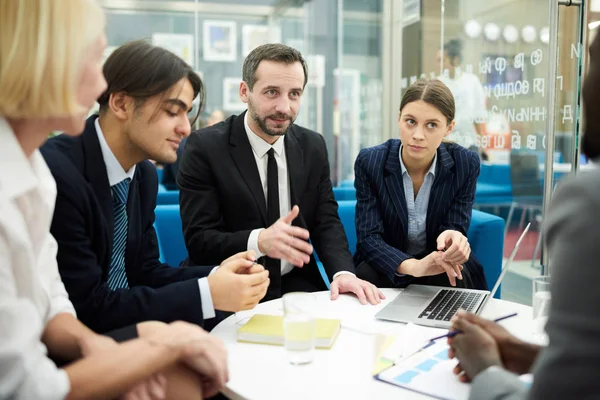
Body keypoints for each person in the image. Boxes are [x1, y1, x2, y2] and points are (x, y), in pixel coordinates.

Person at [0, 1, 228, 399]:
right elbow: (27, 384)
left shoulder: (42, 174)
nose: (98, 86)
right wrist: (163, 341)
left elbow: (53, 297)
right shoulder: (53, 172)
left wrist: (215, 279)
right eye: (91, 59)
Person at [41, 40, 270, 336]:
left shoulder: (143, 176)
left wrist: (217, 276)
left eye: (187, 113)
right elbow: (87, 307)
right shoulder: (60, 172)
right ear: (121, 103)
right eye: (172, 111)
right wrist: (206, 293)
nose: (186, 128)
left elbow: (144, 271)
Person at [446, 33, 600, 399]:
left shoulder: (589, 203)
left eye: (594, 64)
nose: (584, 87)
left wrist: (486, 368)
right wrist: (532, 356)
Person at [178, 43, 384, 304]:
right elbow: (200, 240)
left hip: (297, 283)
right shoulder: (205, 147)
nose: (284, 107)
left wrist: (342, 272)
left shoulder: (313, 146)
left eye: (294, 94)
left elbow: (325, 221)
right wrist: (260, 240)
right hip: (234, 284)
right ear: (245, 91)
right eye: (272, 92)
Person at [353, 79, 488, 290]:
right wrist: (415, 266)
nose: (417, 135)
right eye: (410, 121)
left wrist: (453, 237)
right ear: (399, 119)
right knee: (365, 274)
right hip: (387, 264)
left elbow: (455, 224)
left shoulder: (465, 164)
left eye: (432, 125)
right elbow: (369, 239)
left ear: (449, 128)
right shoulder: (370, 162)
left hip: (438, 261)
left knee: (458, 275)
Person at [437, 39, 488, 159]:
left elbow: (478, 116)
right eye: (437, 60)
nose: (439, 65)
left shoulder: (472, 82)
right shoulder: (438, 83)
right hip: (445, 145)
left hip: (469, 144)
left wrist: (483, 146)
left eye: (442, 60)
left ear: (455, 60)